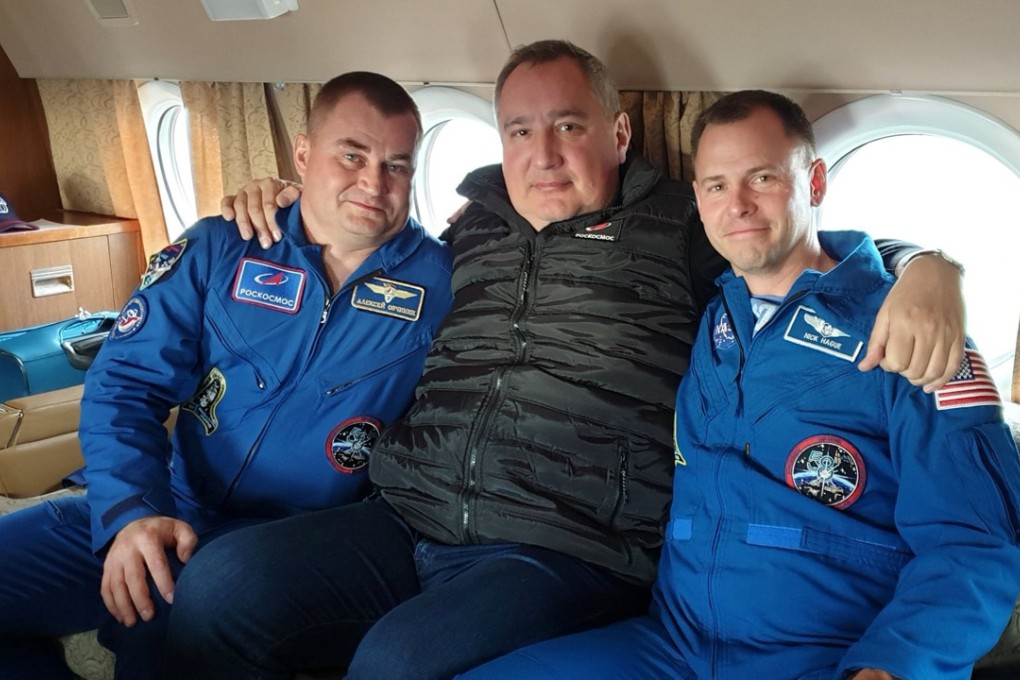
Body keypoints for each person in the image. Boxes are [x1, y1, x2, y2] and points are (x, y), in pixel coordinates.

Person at [165, 42, 968, 680]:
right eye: (519, 131)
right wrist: (279, 195)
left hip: (564, 543)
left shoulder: (683, 225)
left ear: (617, 134)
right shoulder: (470, 227)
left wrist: (928, 265)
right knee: (216, 591)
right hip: (410, 509)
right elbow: (357, 248)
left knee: (396, 662)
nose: (542, 154)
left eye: (569, 127)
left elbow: (788, 243)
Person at [459, 90, 1020, 680]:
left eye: (763, 177)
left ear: (816, 182)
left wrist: (895, 665)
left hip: (826, 656)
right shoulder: (713, 309)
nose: (739, 205)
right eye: (717, 186)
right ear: (698, 198)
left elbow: (975, 546)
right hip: (674, 646)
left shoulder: (908, 334)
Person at [0, 71, 452, 680]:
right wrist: (130, 510)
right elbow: (125, 383)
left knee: (158, 630)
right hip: (166, 499)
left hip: (291, 543)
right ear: (302, 153)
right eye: (352, 154)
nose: (374, 182)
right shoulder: (224, 245)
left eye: (398, 165)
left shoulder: (447, 285)